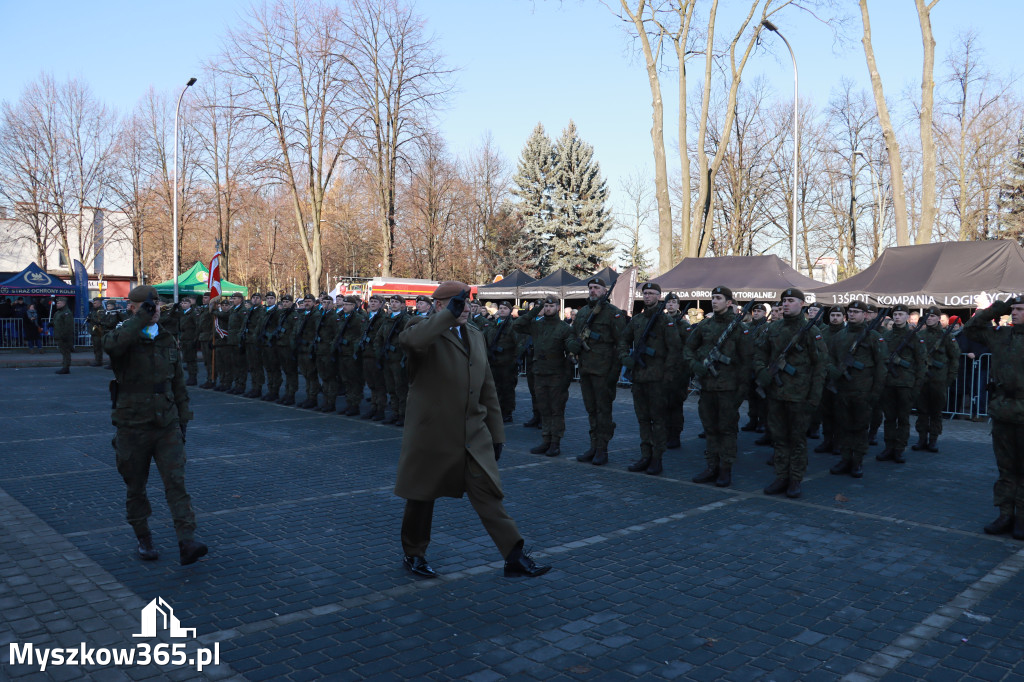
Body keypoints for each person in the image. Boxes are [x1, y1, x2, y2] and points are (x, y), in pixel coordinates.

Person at [394, 281, 550, 579]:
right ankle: (414, 553)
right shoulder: (423, 328)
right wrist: (446, 317)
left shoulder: (476, 334)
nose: (466, 308)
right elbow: (412, 342)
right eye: (457, 303)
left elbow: (487, 387)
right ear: (440, 306)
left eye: (467, 303)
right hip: (433, 435)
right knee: (421, 497)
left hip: (472, 434)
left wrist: (497, 434)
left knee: (488, 493)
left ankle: (514, 555)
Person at [103, 285, 207, 565]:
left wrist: (184, 420)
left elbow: (179, 385)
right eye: (148, 306)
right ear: (132, 307)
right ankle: (144, 537)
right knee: (135, 486)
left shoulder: (167, 339)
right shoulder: (123, 335)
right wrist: (138, 320)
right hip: (132, 426)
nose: (155, 311)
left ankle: (187, 541)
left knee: (176, 482)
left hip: (166, 424)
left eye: (157, 306)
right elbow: (111, 347)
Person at [753, 289, 828, 498]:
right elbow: (759, 353)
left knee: (797, 440)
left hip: (799, 396)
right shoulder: (772, 328)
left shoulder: (811, 331)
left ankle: (795, 479)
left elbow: (820, 366)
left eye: (791, 301)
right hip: (776, 394)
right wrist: (762, 373)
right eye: (784, 301)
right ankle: (781, 476)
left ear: (802, 304)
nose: (786, 304)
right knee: (779, 438)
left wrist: (814, 397)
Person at [964, 295, 1024, 539]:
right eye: (1014, 309)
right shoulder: (1002, 335)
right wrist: (997, 308)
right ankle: (1005, 514)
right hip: (1002, 410)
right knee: (1006, 468)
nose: (1015, 313)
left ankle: (1022, 517)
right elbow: (971, 328)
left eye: (1020, 309)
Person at [685, 286, 752, 487]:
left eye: (719, 298)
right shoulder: (705, 325)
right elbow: (688, 348)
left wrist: (741, 391)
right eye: (713, 298)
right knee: (710, 429)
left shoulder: (739, 328)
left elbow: (747, 361)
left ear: (729, 302)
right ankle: (711, 466)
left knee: (727, 430)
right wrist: (695, 365)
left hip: (729, 389)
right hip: (708, 388)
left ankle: (725, 469)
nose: (714, 301)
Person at [618, 282, 681, 476]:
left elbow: (674, 350)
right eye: (645, 293)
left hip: (658, 380)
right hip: (639, 378)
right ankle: (645, 455)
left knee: (659, 421)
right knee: (643, 419)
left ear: (659, 297)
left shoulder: (665, 322)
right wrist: (625, 359)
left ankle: (657, 458)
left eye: (652, 293)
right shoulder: (636, 320)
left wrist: (668, 376)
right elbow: (623, 340)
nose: (647, 296)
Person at [568, 277, 626, 465]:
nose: (593, 290)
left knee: (603, 411)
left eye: (597, 288)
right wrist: (572, 346)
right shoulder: (584, 312)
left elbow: (621, 346)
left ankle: (603, 448)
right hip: (586, 369)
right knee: (591, 410)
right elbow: (572, 335)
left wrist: (613, 375)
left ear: (604, 290)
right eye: (591, 287)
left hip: (604, 371)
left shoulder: (614, 314)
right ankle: (593, 445)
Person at [828, 301, 887, 478]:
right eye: (850, 312)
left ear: (865, 315)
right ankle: (846, 458)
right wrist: (835, 372)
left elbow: (881, 366)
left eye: (856, 312)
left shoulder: (874, 337)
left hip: (864, 391)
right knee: (844, 426)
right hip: (843, 390)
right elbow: (829, 359)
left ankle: (857, 461)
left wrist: (875, 392)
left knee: (860, 428)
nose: (852, 314)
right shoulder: (839, 336)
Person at [515, 295, 574, 457]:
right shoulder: (537, 325)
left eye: (551, 306)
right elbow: (517, 325)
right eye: (546, 306)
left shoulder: (564, 328)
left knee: (556, 410)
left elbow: (569, 355)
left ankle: (555, 442)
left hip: (556, 374)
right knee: (544, 409)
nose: (548, 308)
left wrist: (566, 380)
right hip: (539, 373)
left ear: (558, 308)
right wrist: (535, 309)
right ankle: (546, 440)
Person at [877, 304, 926, 464]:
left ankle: (899, 448)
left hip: (906, 383)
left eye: (900, 314)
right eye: (895, 314)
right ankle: (889, 446)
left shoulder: (914, 337)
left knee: (903, 418)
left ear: (906, 316)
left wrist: (917, 385)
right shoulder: (887, 336)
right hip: (889, 382)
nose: (897, 317)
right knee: (890, 418)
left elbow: (921, 363)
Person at [913, 305, 961, 452]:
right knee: (922, 411)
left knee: (936, 412)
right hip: (923, 380)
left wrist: (949, 378)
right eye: (928, 316)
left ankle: (933, 439)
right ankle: (922, 439)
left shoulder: (947, 336)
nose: (930, 319)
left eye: (933, 316)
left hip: (939, 379)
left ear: (939, 318)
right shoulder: (920, 335)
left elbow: (955, 358)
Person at [375, 295, 411, 425]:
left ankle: (403, 415)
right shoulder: (388, 319)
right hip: (387, 358)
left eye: (397, 302)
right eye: (392, 302)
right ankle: (395, 413)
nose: (393, 304)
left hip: (398, 359)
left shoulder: (405, 319)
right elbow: (379, 337)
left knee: (401, 388)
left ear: (402, 305)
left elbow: (407, 339)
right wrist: (379, 351)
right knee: (391, 388)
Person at [484, 300, 521, 424]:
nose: (502, 310)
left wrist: (514, 361)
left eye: (505, 308)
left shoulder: (512, 325)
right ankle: (497, 411)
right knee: (495, 388)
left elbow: (518, 344)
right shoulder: (493, 324)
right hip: (494, 362)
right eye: (500, 308)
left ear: (510, 311)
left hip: (507, 363)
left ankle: (507, 412)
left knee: (507, 389)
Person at [336, 295, 367, 416]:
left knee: (354, 380)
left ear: (353, 306)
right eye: (343, 304)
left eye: (347, 304)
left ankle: (355, 405)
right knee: (346, 380)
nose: (344, 306)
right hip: (342, 352)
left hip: (352, 353)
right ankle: (349, 403)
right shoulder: (340, 317)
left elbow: (361, 335)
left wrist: (352, 344)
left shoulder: (358, 318)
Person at [359, 294, 388, 420]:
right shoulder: (367, 317)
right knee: (371, 384)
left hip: (376, 354)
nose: (373, 303)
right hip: (366, 354)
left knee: (379, 384)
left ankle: (380, 409)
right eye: (371, 301)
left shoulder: (383, 318)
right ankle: (374, 407)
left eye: (376, 301)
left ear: (381, 304)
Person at [178, 296, 200, 386]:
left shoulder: (193, 313)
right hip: (184, 339)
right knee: (187, 359)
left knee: (191, 360)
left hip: (191, 339)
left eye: (186, 303)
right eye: (182, 303)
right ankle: (190, 377)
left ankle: (193, 378)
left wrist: (195, 339)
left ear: (190, 304)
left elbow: (197, 326)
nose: (184, 305)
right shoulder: (182, 313)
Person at [52, 296, 75, 374]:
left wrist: (65, 336)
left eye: (59, 303)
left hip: (64, 336)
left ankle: (66, 367)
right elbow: (56, 321)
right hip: (59, 335)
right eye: (57, 303)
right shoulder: (58, 312)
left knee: (66, 352)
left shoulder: (67, 313)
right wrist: (51, 324)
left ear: (64, 303)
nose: (57, 304)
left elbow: (68, 326)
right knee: (63, 352)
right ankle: (65, 366)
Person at [87, 298, 105, 366]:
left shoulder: (101, 311)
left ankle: (98, 361)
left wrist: (91, 318)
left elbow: (100, 321)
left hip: (98, 332)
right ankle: (97, 360)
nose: (93, 304)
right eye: (93, 303)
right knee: (96, 347)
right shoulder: (94, 310)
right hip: (94, 331)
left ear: (99, 303)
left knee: (98, 347)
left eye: (95, 303)